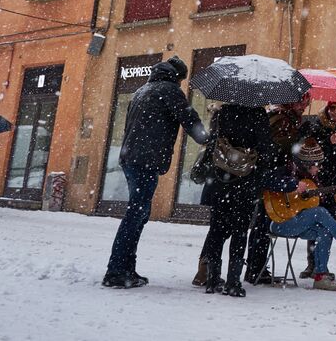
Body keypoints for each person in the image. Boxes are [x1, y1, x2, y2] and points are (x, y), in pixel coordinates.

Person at [103, 56, 209, 289]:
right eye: (181, 79)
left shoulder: (143, 90)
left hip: (132, 158)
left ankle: (126, 268)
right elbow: (189, 118)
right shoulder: (169, 91)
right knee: (136, 215)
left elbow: (129, 126)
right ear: (177, 76)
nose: (181, 83)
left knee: (138, 213)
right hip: (145, 160)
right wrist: (207, 140)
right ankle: (117, 270)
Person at [263, 139, 336, 292]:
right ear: (307, 164)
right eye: (317, 165)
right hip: (278, 222)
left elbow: (320, 203)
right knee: (320, 212)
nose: (319, 169)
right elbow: (267, 181)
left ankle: (320, 276)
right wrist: (292, 184)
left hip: (298, 223)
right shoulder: (287, 170)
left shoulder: (312, 181)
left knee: (325, 231)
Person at [195, 100, 275, 297]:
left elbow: (212, 143)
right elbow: (266, 150)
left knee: (216, 230)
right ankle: (233, 281)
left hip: (220, 181)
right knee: (239, 232)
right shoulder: (258, 115)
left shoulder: (222, 114)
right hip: (244, 183)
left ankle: (213, 280)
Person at [242, 94, 311, 285]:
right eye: (300, 101)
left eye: (306, 102)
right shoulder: (282, 118)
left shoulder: (286, 117)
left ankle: (257, 267)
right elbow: (276, 147)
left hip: (272, 175)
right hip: (270, 176)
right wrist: (297, 137)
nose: (304, 106)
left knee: (262, 225)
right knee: (262, 225)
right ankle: (256, 268)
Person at [297, 100, 336, 278]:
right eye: (332, 108)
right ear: (327, 110)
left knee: (328, 227)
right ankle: (312, 264)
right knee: (314, 225)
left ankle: (321, 265)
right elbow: (309, 153)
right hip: (317, 184)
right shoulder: (317, 128)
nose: (335, 112)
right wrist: (327, 142)